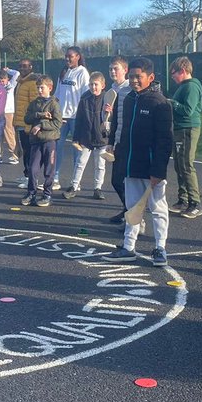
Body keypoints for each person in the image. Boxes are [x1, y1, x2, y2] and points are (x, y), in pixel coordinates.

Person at [109, 58, 174, 267]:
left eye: (139, 77)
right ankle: (128, 247)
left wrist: (159, 170)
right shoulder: (128, 99)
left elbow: (165, 141)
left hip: (152, 167)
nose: (134, 80)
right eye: (132, 76)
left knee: (157, 209)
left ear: (150, 78)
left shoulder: (160, 103)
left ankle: (160, 248)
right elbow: (124, 132)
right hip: (131, 165)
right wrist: (120, 157)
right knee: (131, 207)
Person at [168, 56, 202, 219]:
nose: (172, 76)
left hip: (188, 129)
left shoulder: (191, 86)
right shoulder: (183, 86)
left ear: (183, 71)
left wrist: (171, 103)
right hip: (179, 128)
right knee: (179, 164)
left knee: (186, 165)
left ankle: (195, 203)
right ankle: (183, 199)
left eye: (174, 73)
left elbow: (188, 110)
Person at [66, 72, 110, 200]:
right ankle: (73, 186)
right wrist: (76, 138)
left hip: (102, 138)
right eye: (91, 84)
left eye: (96, 84)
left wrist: (109, 113)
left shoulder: (107, 99)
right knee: (80, 163)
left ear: (103, 85)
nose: (93, 87)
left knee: (100, 165)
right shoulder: (84, 98)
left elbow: (111, 120)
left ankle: (98, 188)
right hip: (86, 138)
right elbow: (79, 118)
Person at [53, 46, 90, 190]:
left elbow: (86, 95)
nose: (68, 59)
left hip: (76, 118)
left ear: (78, 57)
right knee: (56, 148)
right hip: (61, 118)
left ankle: (76, 181)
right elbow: (56, 95)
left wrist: (83, 117)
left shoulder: (82, 73)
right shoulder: (63, 73)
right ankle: (54, 178)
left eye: (71, 56)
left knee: (77, 151)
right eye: (66, 56)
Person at [23, 76, 62, 207]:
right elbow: (27, 118)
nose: (39, 90)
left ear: (50, 88)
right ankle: (31, 193)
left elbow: (57, 123)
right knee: (33, 169)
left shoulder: (54, 104)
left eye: (42, 87)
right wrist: (40, 115)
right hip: (35, 141)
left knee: (49, 170)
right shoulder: (34, 103)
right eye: (38, 87)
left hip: (49, 141)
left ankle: (47, 194)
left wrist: (41, 125)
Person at [104, 57, 131, 224]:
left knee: (128, 181)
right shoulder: (112, 89)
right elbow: (113, 119)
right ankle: (127, 209)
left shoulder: (129, 89)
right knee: (116, 181)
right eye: (111, 69)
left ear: (125, 70)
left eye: (116, 68)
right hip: (117, 140)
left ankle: (134, 216)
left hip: (129, 141)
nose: (113, 72)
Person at [12, 59, 38, 186]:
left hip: (28, 123)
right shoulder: (20, 82)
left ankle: (31, 178)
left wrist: (31, 123)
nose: (22, 68)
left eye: (25, 66)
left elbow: (34, 104)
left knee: (30, 151)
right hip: (21, 122)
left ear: (31, 67)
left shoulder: (32, 82)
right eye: (20, 66)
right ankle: (26, 174)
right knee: (25, 150)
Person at [0, 64, 21, 165]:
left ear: (7, 79)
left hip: (8, 112)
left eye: (4, 79)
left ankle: (14, 155)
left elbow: (17, 73)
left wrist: (8, 70)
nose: (2, 81)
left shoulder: (11, 85)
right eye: (0, 79)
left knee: (9, 133)